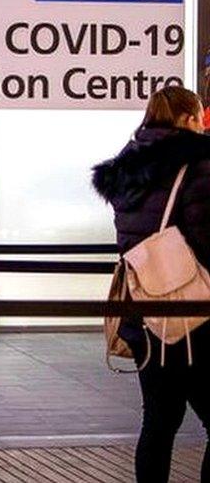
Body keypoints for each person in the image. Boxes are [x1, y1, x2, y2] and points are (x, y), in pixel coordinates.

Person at [93, 85, 210, 483]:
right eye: (199, 116)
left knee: (158, 424)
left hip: (145, 313)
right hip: (195, 319)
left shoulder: (127, 170)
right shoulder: (198, 166)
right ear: (186, 119)